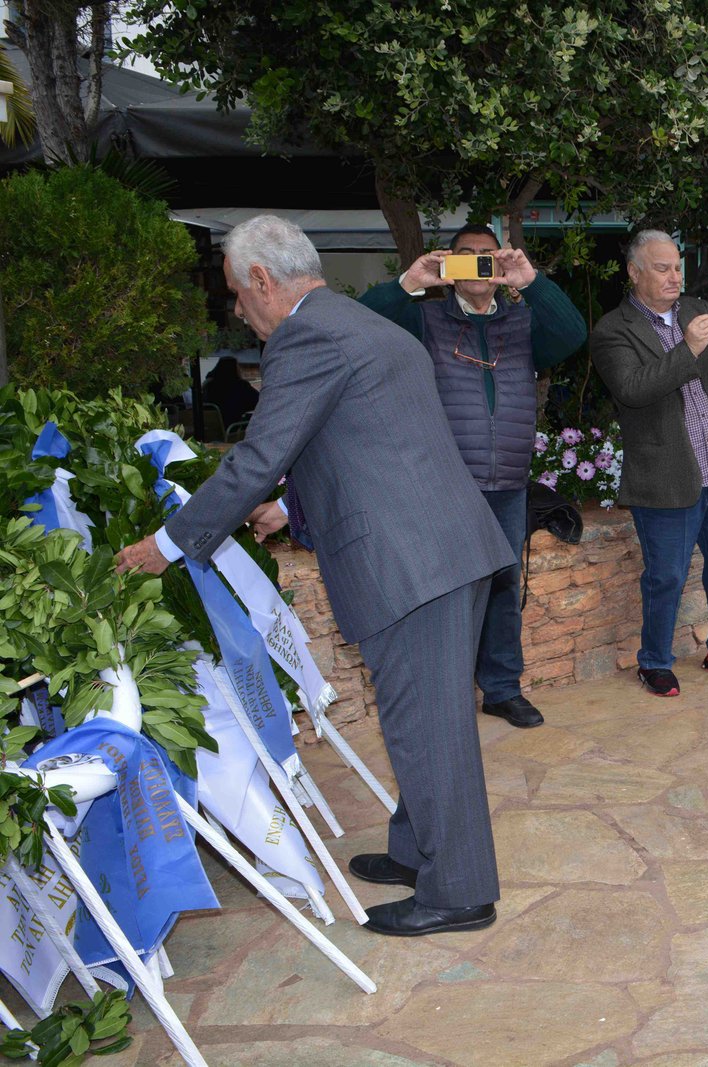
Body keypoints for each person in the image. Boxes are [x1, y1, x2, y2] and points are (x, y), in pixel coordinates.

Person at [115, 215, 515, 937]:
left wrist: (169, 544)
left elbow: (259, 454)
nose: (239, 309)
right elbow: (360, 438)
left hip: (412, 561)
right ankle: (416, 850)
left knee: (428, 726)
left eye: (237, 293)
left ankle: (459, 890)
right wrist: (288, 509)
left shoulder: (306, 336)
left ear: (262, 279)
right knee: (422, 718)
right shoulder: (352, 322)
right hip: (441, 549)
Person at [359, 224, 587, 730]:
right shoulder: (424, 320)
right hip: (445, 483)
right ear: (450, 264)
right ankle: (445, 695)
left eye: (488, 255)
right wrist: (410, 282)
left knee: (503, 588)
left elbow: (573, 334)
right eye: (466, 255)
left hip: (506, 481)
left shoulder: (523, 324)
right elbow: (363, 325)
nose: (478, 264)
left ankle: (502, 690)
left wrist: (531, 282)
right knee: (448, 593)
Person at [588, 230, 708, 697]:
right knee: (666, 576)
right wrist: (687, 349)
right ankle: (653, 661)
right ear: (634, 272)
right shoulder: (613, 329)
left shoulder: (695, 310)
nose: (675, 276)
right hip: (666, 474)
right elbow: (633, 389)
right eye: (662, 268)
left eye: (677, 267)